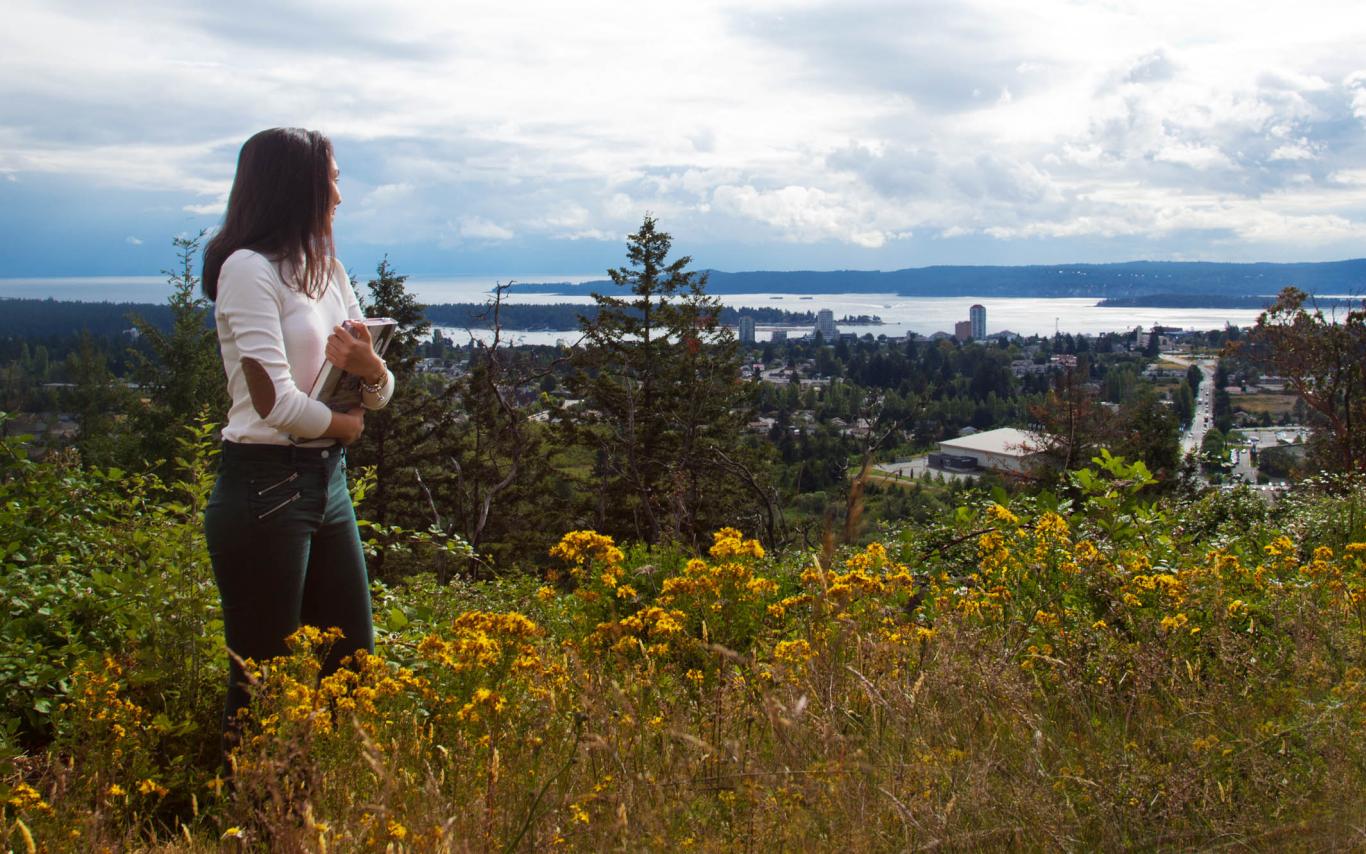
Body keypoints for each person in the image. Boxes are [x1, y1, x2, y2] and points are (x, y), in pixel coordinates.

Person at [200, 127, 395, 757]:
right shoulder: (246, 270)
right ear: (297, 185)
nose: (339, 193)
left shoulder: (327, 271)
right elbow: (275, 405)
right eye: (331, 179)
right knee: (261, 681)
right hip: (263, 486)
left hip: (326, 484)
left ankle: (332, 796)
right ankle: (248, 807)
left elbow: (378, 388)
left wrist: (370, 369)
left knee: (352, 668)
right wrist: (347, 424)